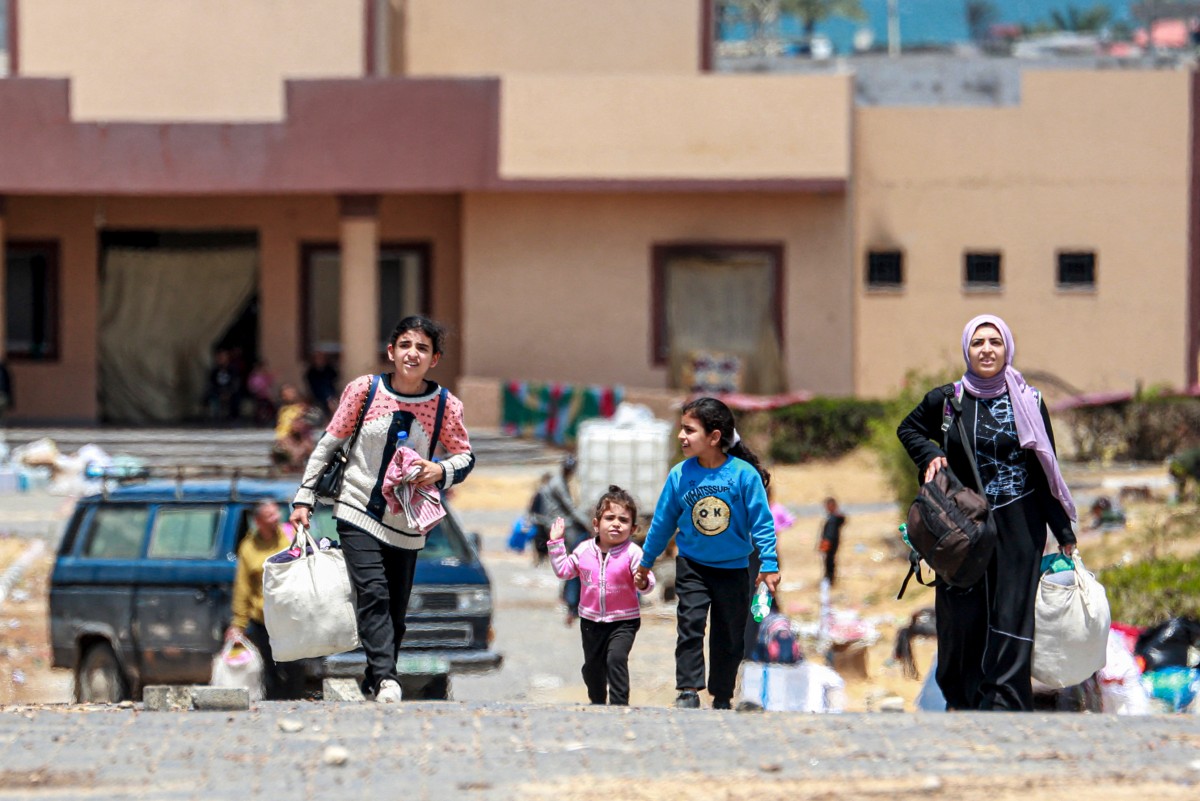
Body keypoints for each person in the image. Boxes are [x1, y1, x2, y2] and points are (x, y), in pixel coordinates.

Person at [290, 315, 475, 703]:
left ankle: (376, 680)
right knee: (372, 591)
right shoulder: (364, 390)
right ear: (391, 351)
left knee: (395, 606)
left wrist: (439, 470)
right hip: (356, 508)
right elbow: (328, 445)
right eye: (405, 345)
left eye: (422, 348)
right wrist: (304, 497)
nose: (413, 354)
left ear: (435, 359)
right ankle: (389, 678)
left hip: (407, 521)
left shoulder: (445, 405)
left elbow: (464, 457)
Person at [897, 314, 1077, 712]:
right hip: (964, 529)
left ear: (1007, 347)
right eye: (978, 342)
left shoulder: (1029, 401)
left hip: (1020, 525)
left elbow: (1044, 468)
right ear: (967, 349)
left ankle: (1007, 702)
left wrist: (1062, 531)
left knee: (1012, 615)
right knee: (962, 614)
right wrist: (933, 454)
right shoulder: (948, 400)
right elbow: (908, 430)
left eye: (995, 341)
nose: (987, 349)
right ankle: (963, 697)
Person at [634, 397, 780, 710]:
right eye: (681, 429)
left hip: (734, 568)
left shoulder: (743, 476)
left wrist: (768, 564)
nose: (681, 436)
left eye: (689, 430)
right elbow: (662, 523)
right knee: (690, 624)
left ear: (714, 437)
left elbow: (762, 522)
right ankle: (688, 689)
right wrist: (646, 562)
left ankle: (723, 695)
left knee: (729, 634)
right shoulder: (680, 475)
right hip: (692, 566)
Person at [547, 485, 655, 705]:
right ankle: (597, 701)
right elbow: (564, 571)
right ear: (596, 524)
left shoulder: (633, 553)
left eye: (623, 520)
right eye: (610, 518)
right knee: (593, 668)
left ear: (633, 528)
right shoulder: (583, 550)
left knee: (616, 658)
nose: (616, 524)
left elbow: (647, 581)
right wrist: (556, 544)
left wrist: (642, 581)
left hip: (624, 620)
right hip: (591, 621)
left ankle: (619, 705)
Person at [225, 501, 305, 700]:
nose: (276, 518)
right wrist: (239, 622)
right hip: (263, 618)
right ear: (258, 521)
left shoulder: (290, 535)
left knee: (295, 665)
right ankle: (274, 707)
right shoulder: (248, 547)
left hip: (292, 615)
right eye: (269, 515)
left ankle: (297, 701)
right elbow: (243, 588)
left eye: (276, 513)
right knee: (269, 668)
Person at [535, 455, 591, 624]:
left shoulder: (560, 481)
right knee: (576, 562)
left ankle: (569, 598)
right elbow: (571, 509)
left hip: (559, 522)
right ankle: (571, 601)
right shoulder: (558, 483)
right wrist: (589, 525)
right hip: (561, 525)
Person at [271, 384, 320, 471]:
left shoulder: (303, 409)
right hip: (286, 437)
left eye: (292, 392)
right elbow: (284, 428)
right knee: (292, 449)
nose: (290, 395)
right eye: (287, 394)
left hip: (301, 437)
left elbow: (307, 423)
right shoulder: (283, 410)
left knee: (307, 447)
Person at [818, 496, 845, 587]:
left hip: (830, 543)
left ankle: (829, 579)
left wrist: (825, 544)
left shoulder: (834, 519)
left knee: (829, 561)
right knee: (828, 561)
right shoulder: (832, 517)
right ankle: (828, 578)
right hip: (830, 543)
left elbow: (830, 534)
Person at [305, 350, 340, 416]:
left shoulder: (330, 369)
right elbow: (312, 384)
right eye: (317, 358)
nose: (320, 360)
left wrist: (330, 397)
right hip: (316, 396)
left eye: (321, 358)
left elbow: (334, 379)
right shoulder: (311, 371)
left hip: (330, 395)